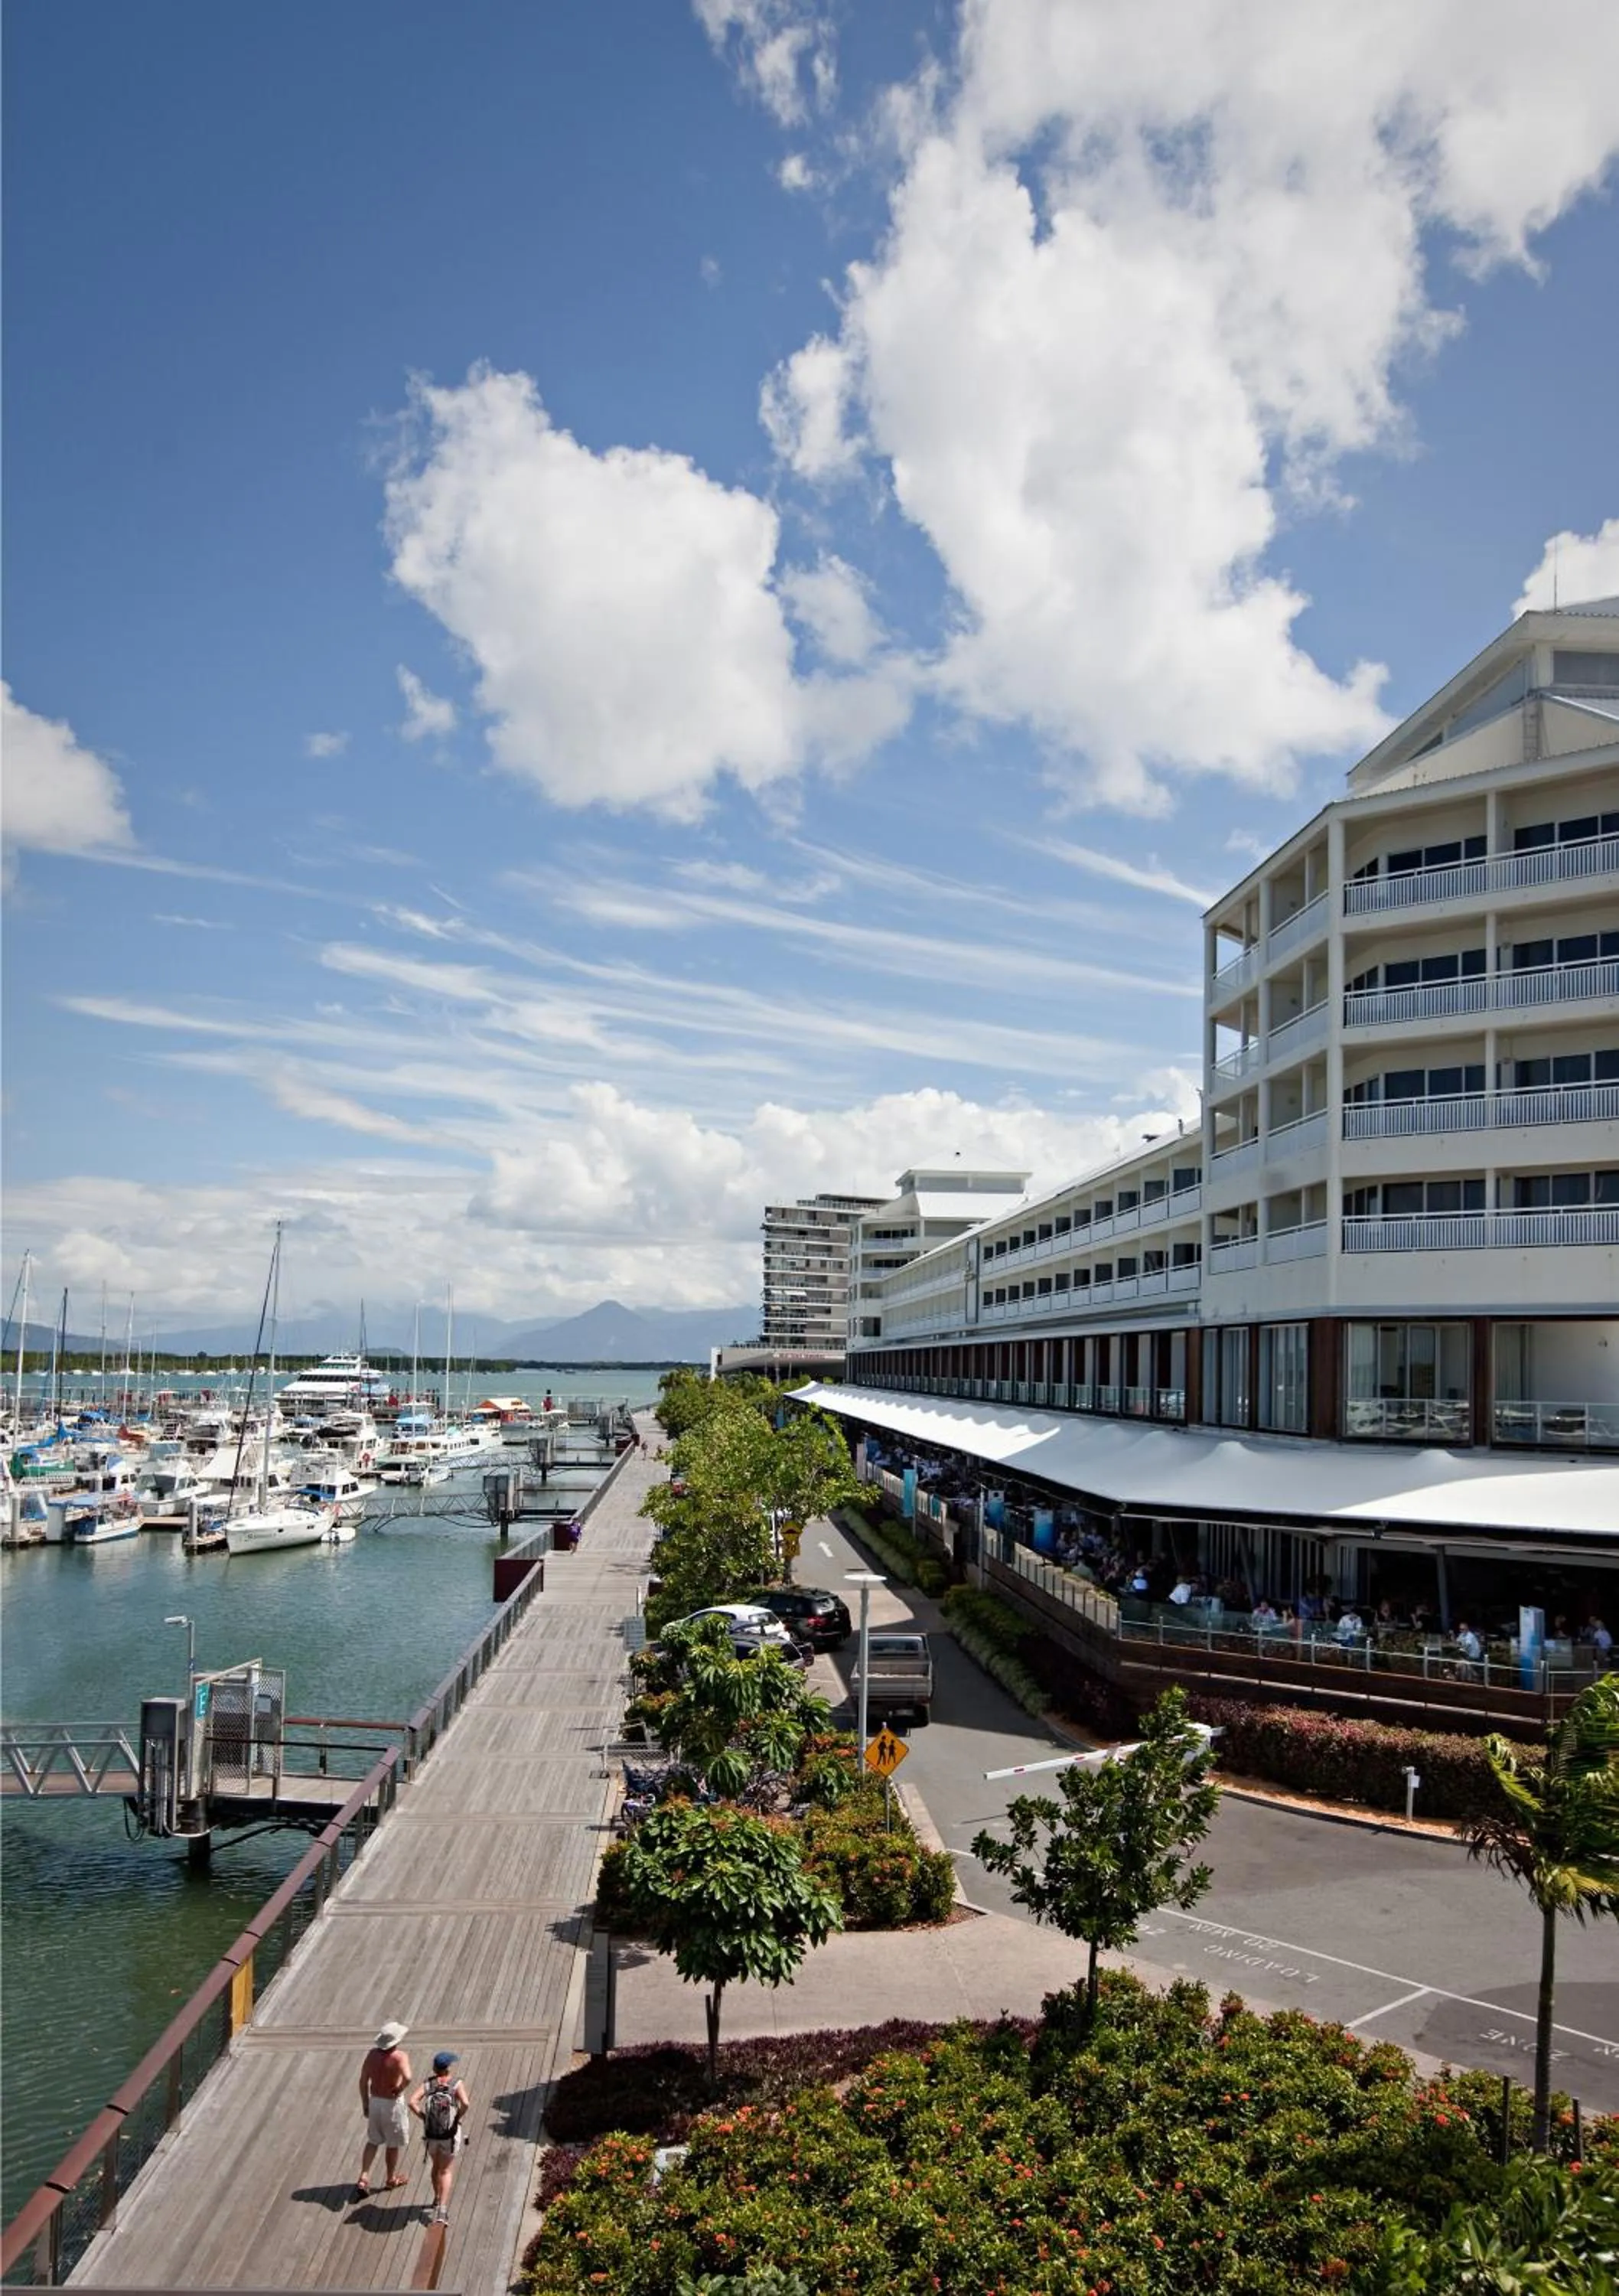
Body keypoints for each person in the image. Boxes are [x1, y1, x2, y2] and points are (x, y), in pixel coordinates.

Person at [410, 2051, 471, 2226]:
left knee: (435, 2167)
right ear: (448, 2068)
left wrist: (423, 2117)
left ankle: (436, 2198)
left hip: (431, 2135)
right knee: (446, 2171)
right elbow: (466, 2104)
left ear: (435, 2068)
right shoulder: (456, 2084)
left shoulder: (428, 2084)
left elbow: (412, 2101)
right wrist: (457, 2117)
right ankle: (442, 2211)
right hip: (448, 2135)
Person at [354, 2021, 412, 2200]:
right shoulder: (400, 2057)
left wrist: (365, 2103)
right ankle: (390, 2178)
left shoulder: (372, 2055)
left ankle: (364, 2176)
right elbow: (409, 2077)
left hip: (375, 2102)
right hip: (391, 2104)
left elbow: (363, 2081)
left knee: (373, 2140)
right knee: (392, 2144)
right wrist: (400, 2088)